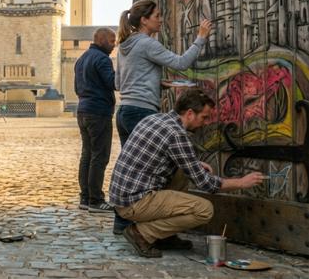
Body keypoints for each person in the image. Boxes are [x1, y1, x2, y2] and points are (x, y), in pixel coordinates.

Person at [108, 89, 264, 258]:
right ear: (190, 113)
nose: (205, 123)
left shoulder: (155, 119)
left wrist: (194, 164)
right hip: (134, 202)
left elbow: (166, 157)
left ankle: (164, 236)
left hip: (122, 196)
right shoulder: (177, 134)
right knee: (204, 210)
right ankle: (142, 233)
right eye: (204, 117)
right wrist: (241, 182)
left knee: (183, 171)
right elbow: (207, 184)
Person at [113, 0, 211, 234]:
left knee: (133, 171)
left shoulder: (125, 44)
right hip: (142, 112)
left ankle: (123, 224)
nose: (161, 19)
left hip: (125, 111)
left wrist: (157, 83)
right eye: (157, 15)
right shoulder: (147, 43)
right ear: (144, 20)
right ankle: (149, 229)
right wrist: (201, 37)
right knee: (158, 171)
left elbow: (119, 83)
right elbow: (181, 63)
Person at [74, 27, 116, 212]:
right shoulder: (102, 59)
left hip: (83, 110)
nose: (114, 45)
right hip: (98, 112)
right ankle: (96, 200)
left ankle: (85, 198)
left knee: (87, 155)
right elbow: (113, 83)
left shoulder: (81, 59)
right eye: (111, 41)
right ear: (101, 40)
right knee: (100, 156)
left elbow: (77, 88)